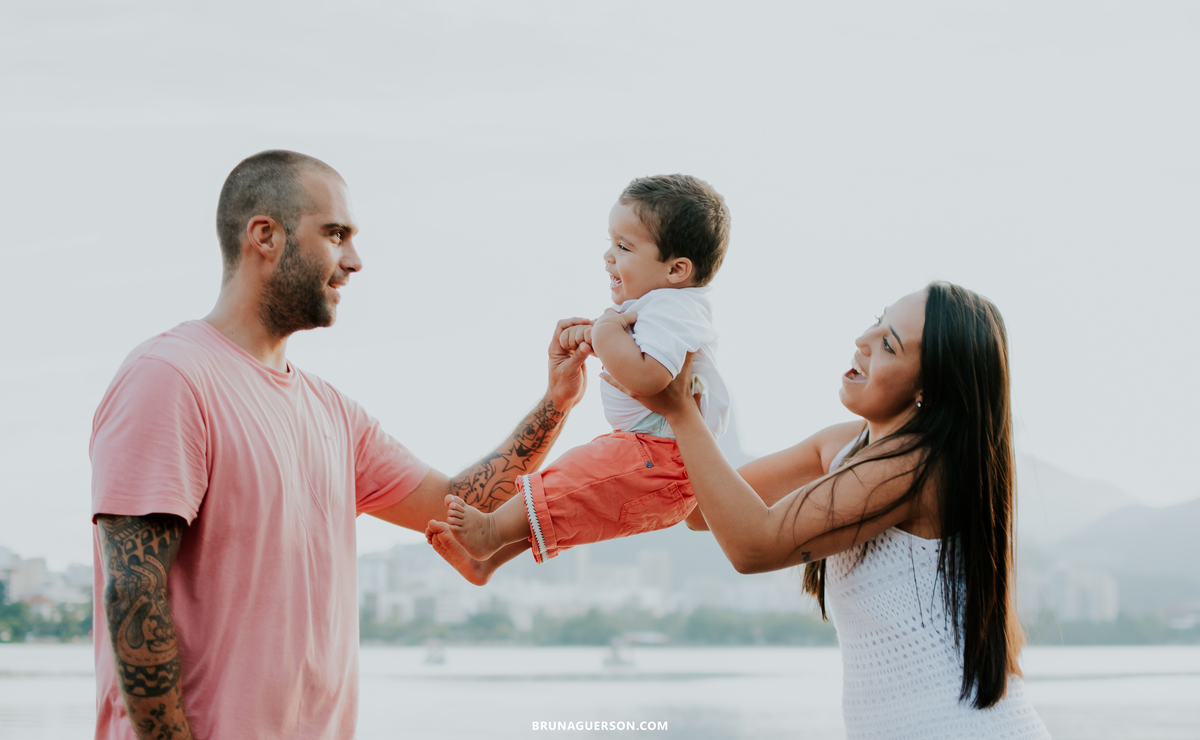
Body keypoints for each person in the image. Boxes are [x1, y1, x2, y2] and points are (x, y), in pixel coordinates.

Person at [89, 150, 591, 740]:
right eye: (335, 234)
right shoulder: (169, 377)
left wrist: (556, 402)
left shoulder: (332, 412)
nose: (354, 261)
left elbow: (457, 503)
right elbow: (133, 594)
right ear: (265, 236)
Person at [608, 283, 1050, 738]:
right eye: (877, 321)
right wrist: (680, 387)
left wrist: (682, 412)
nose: (863, 339)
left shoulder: (918, 468)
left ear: (928, 386)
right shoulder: (842, 447)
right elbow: (703, 513)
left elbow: (752, 548)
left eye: (888, 344)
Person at [427, 174, 731, 581]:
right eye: (610, 242)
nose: (609, 256)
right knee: (569, 494)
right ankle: (487, 559)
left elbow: (649, 379)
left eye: (624, 247)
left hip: (663, 457)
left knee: (570, 481)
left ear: (677, 269)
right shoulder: (663, 307)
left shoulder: (674, 308)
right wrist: (596, 337)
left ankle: (491, 531)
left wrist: (604, 333)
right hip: (655, 455)